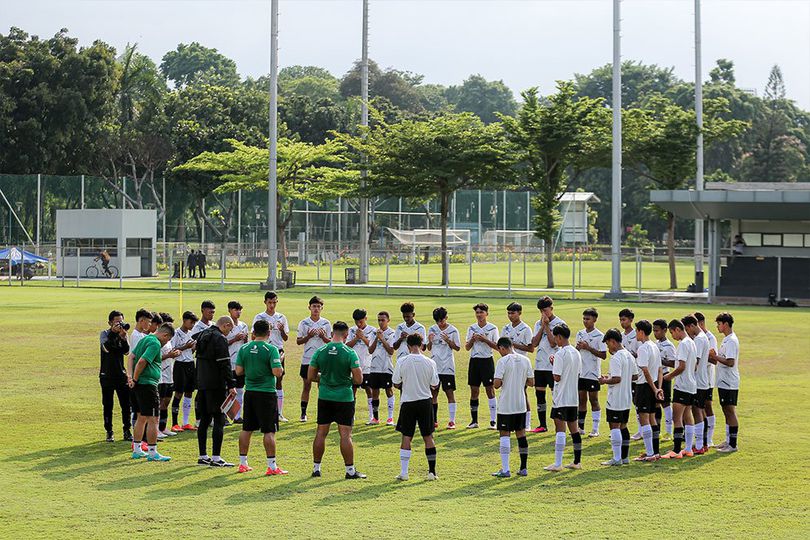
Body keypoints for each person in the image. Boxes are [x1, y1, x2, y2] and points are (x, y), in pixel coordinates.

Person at [309, 321, 366, 479]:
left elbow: (311, 376)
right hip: (344, 398)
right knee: (345, 435)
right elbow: (359, 379)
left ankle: (316, 468)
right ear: (346, 335)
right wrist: (345, 380)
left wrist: (324, 377)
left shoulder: (320, 351)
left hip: (325, 396)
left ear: (332, 333)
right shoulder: (349, 352)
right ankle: (349, 471)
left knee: (321, 433)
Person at [235, 319, 286, 475]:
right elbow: (277, 373)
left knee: (247, 428)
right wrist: (280, 362)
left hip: (250, 392)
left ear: (254, 333)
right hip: (267, 394)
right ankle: (271, 466)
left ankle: (243, 463)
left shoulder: (244, 348)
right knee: (269, 431)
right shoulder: (271, 349)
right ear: (269, 333)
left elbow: (238, 371)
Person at [393, 334, 440, 481]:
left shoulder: (402, 361)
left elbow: (395, 382)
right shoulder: (430, 362)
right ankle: (432, 472)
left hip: (408, 401)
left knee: (407, 436)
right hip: (425, 401)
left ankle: (404, 472)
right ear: (421, 345)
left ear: (407, 346)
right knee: (428, 436)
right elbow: (434, 384)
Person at [127, 323, 175, 462]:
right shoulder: (155, 343)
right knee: (153, 419)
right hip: (147, 385)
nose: (166, 343)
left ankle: (137, 449)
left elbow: (131, 357)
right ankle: (153, 451)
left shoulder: (145, 339)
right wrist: (135, 378)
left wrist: (130, 377)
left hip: (138, 385)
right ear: (165, 335)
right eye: (167, 340)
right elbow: (142, 361)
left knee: (141, 417)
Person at [195, 316, 237, 467]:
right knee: (219, 419)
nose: (228, 333)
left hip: (202, 384)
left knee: (204, 420)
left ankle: (202, 456)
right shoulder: (219, 338)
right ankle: (216, 458)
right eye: (229, 330)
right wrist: (231, 384)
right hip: (216, 385)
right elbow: (225, 364)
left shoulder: (202, 335)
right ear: (225, 325)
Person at [491, 337, 534, 478]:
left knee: (505, 434)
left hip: (506, 405)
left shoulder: (502, 361)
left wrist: (504, 381)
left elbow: (496, 384)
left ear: (502, 348)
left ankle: (505, 469)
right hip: (521, 404)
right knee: (521, 434)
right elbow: (531, 382)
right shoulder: (525, 360)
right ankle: (523, 468)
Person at [544, 324, 583, 472]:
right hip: (573, 398)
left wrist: (553, 363)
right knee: (574, 430)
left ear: (559, 337)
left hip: (561, 397)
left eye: (555, 337)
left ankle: (558, 463)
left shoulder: (560, 354)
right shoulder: (576, 352)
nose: (555, 340)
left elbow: (557, 377)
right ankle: (577, 461)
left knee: (560, 429)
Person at [661, 319, 697, 459]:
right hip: (691, 384)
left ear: (677, 329)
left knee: (677, 418)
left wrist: (669, 376)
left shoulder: (683, 344)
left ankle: (676, 450)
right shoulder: (692, 342)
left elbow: (681, 366)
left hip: (682, 385)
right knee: (688, 416)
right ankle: (688, 449)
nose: (672, 336)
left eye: (672, 332)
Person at [599, 329, 635, 466]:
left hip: (616, 399)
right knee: (623, 427)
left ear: (613, 342)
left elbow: (617, 379)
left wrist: (604, 380)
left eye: (608, 344)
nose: (608, 347)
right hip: (626, 397)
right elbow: (635, 376)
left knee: (614, 427)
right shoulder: (629, 356)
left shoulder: (616, 358)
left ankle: (616, 458)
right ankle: (624, 457)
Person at [252, 291, 290, 421]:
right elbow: (253, 336)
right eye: (269, 302)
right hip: (262, 351)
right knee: (261, 380)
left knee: (278, 381)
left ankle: (279, 413)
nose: (272, 305)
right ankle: (260, 412)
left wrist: (281, 330)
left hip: (277, 351)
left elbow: (286, 338)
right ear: (265, 302)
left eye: (274, 302)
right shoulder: (259, 317)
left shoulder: (282, 317)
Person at [530, 296, 565, 433]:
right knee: (539, 394)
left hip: (554, 365)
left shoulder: (560, 324)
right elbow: (534, 343)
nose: (544, 314)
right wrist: (542, 326)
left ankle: (559, 424)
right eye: (541, 311)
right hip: (540, 365)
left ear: (551, 308)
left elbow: (553, 343)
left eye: (545, 310)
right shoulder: (538, 323)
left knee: (555, 394)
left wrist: (547, 326)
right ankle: (542, 425)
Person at [500, 302, 535, 431]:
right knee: (508, 392)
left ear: (519, 313)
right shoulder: (505, 328)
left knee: (522, 393)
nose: (510, 316)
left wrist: (513, 345)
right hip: (507, 365)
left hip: (520, 365)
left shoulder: (526, 329)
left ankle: (527, 423)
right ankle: (512, 422)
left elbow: (531, 348)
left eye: (513, 313)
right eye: (508, 313)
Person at [296, 296, 331, 422]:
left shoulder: (326, 323)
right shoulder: (303, 323)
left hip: (322, 360)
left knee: (322, 386)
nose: (316, 309)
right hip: (307, 359)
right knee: (306, 386)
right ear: (309, 307)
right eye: (313, 306)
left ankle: (322, 413)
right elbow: (298, 341)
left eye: (318, 306)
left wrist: (323, 337)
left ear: (322, 308)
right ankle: (303, 413)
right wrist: (308, 336)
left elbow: (331, 342)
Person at [633, 320, 664, 462]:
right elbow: (659, 370)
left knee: (644, 419)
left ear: (641, 331)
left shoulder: (643, 348)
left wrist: (653, 388)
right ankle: (654, 452)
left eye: (636, 331)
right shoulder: (655, 346)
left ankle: (650, 453)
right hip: (654, 385)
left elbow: (645, 371)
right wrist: (658, 388)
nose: (635, 334)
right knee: (652, 419)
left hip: (645, 386)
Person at [465, 303, 500, 430]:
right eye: (477, 312)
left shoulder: (492, 328)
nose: (479, 315)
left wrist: (485, 339)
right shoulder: (471, 328)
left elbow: (497, 347)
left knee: (490, 390)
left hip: (487, 361)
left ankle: (493, 421)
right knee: (474, 391)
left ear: (486, 314)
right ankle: (474, 421)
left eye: (481, 312)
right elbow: (467, 347)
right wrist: (473, 340)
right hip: (474, 361)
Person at [709, 312, 740, 453]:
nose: (717, 327)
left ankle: (733, 444)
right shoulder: (727, 339)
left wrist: (715, 356)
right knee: (726, 410)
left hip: (729, 382)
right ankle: (728, 441)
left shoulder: (732, 340)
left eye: (719, 324)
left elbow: (730, 362)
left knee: (730, 411)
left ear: (726, 324)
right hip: (723, 381)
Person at [100, 310, 132, 442]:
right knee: (108, 405)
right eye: (117, 322)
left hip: (121, 374)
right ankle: (109, 431)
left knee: (126, 404)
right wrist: (114, 333)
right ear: (110, 323)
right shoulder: (105, 334)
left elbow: (126, 351)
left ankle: (127, 430)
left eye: (121, 321)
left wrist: (123, 338)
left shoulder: (123, 334)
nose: (120, 324)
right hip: (106, 375)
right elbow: (106, 348)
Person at [575, 307, 607, 438]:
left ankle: (595, 428)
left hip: (593, 373)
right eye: (584, 318)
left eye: (587, 319)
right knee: (581, 399)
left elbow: (604, 355)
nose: (585, 321)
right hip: (581, 373)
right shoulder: (580, 333)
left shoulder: (600, 336)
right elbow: (577, 351)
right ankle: (581, 427)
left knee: (593, 400)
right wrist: (578, 348)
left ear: (594, 320)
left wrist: (588, 348)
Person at [427, 307, 461, 429]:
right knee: (433, 393)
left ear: (446, 318)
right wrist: (430, 341)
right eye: (437, 321)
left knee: (449, 393)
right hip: (434, 366)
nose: (440, 323)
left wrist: (448, 341)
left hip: (447, 367)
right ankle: (433, 420)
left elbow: (457, 348)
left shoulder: (453, 330)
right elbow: (429, 348)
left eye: (441, 320)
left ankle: (452, 421)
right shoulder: (432, 329)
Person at [126, 308, 154, 452]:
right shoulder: (137, 337)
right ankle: (138, 441)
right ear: (141, 321)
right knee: (140, 412)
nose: (149, 325)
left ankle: (139, 441)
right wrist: (134, 377)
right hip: (140, 379)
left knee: (139, 412)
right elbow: (136, 358)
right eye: (148, 322)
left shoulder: (140, 335)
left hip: (136, 377)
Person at [684, 314, 710, 455]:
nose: (687, 333)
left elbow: (696, 362)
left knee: (697, 410)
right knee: (700, 411)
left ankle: (699, 445)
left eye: (687, 329)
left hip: (698, 381)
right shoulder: (702, 337)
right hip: (703, 380)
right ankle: (703, 443)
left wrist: (686, 371)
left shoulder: (699, 340)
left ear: (691, 326)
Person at [367, 311, 397, 426]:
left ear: (388, 321)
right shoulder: (373, 333)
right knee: (375, 392)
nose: (380, 322)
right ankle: (375, 418)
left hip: (386, 368)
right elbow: (370, 350)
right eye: (378, 320)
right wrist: (376, 338)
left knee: (389, 391)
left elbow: (391, 351)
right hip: (374, 367)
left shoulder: (392, 333)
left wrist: (382, 338)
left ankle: (390, 418)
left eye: (383, 320)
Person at [347, 309, 376, 424]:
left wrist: (363, 337)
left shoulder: (373, 331)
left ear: (366, 319)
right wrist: (356, 338)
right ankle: (351, 416)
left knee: (369, 390)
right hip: (354, 366)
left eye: (361, 321)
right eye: (356, 321)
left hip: (368, 365)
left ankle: (372, 415)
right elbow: (347, 346)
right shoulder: (351, 330)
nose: (358, 324)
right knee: (352, 391)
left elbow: (372, 347)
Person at [171, 311, 199, 432]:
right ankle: (174, 423)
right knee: (178, 393)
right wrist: (185, 347)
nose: (192, 325)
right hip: (179, 365)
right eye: (191, 322)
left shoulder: (192, 333)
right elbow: (172, 349)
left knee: (189, 392)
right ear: (184, 320)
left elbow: (191, 351)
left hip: (190, 364)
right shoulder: (176, 333)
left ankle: (186, 422)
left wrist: (193, 348)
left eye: (194, 323)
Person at [695, 311, 718, 447]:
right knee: (698, 407)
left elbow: (712, 359)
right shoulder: (697, 338)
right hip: (698, 377)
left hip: (707, 377)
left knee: (707, 406)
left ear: (701, 323)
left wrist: (702, 357)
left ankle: (709, 438)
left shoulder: (710, 338)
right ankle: (700, 437)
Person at [157, 313, 180, 439]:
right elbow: (155, 358)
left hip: (169, 374)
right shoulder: (157, 340)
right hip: (160, 375)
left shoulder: (168, 340)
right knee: (159, 403)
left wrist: (175, 353)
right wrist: (169, 355)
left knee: (166, 401)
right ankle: (156, 429)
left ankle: (163, 427)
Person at [226, 301, 249, 423]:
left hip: (240, 362)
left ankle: (237, 416)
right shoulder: (225, 325)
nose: (238, 312)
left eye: (240, 310)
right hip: (228, 362)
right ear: (229, 310)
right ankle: (224, 416)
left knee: (240, 389)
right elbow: (222, 344)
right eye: (236, 310)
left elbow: (246, 344)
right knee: (228, 390)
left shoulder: (244, 325)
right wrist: (234, 339)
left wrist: (245, 340)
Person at [653, 319, 676, 440]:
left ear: (665, 330)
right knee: (656, 404)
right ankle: (657, 429)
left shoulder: (669, 345)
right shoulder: (655, 343)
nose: (655, 333)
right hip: (655, 377)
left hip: (665, 376)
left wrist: (660, 361)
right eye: (653, 330)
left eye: (657, 330)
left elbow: (673, 363)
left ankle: (669, 431)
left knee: (666, 404)